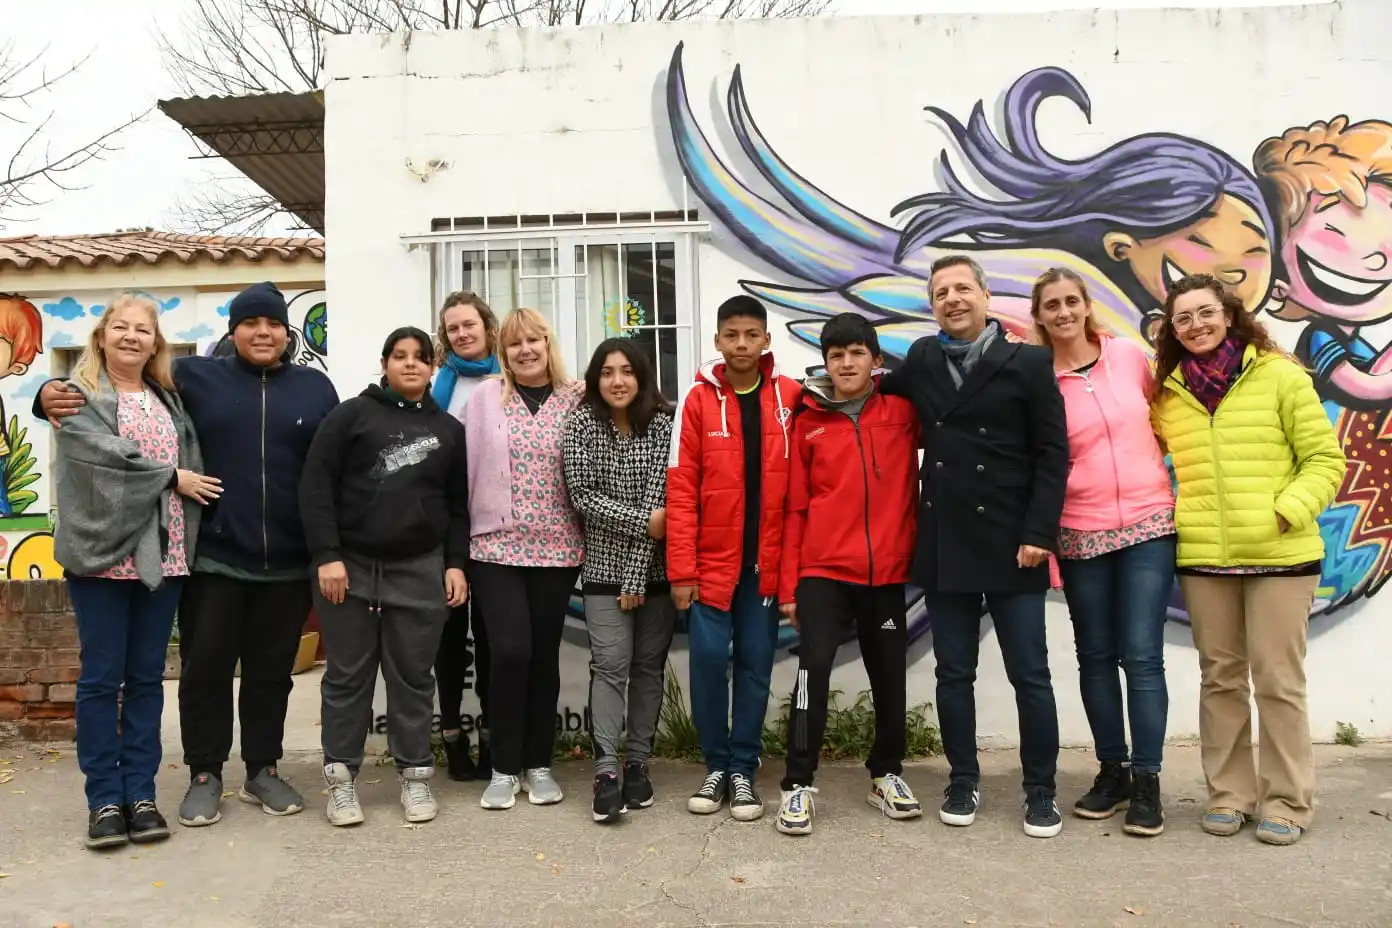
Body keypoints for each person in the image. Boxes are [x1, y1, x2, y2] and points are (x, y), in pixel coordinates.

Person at [35, 281, 340, 829]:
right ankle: (204, 774)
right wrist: (45, 393)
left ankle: (263, 769)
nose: (263, 332)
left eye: (272, 323)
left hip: (288, 560)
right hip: (213, 557)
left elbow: (334, 464)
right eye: (250, 323)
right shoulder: (194, 377)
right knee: (205, 671)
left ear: (286, 332)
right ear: (233, 331)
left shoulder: (315, 388)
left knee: (272, 674)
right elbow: (110, 381)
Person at [1150, 273, 1346, 846]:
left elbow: (1324, 459)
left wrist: (1286, 512)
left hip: (1281, 557)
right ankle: (1230, 795)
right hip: (1205, 560)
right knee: (1221, 680)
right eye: (1183, 319)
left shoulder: (1280, 375)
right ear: (1172, 330)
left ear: (1230, 315)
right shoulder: (1168, 394)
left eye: (1205, 313)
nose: (1196, 326)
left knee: (1278, 682)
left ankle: (1287, 800)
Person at [880, 254, 1069, 838]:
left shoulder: (1028, 360)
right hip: (946, 537)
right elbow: (872, 394)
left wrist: (1039, 533)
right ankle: (963, 780)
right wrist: (809, 393)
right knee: (953, 673)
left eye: (963, 288)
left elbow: (1052, 452)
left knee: (1030, 673)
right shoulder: (922, 358)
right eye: (941, 293)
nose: (953, 299)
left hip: (1014, 540)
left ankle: (1041, 790)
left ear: (985, 297)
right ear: (932, 306)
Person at [51, 293, 221, 849]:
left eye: (142, 330)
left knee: (148, 678)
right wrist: (172, 477)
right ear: (101, 337)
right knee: (102, 680)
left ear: (155, 344)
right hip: (102, 557)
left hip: (165, 558)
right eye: (120, 327)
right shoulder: (77, 396)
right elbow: (97, 457)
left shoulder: (168, 400)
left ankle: (141, 795)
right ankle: (104, 800)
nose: (131, 336)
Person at [299, 327, 470, 826]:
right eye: (400, 356)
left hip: (419, 569)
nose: (410, 364)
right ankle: (341, 783)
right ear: (385, 363)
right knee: (347, 678)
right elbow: (315, 487)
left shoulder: (448, 430)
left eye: (420, 357)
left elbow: (457, 505)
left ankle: (415, 776)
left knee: (413, 678)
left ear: (433, 367)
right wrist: (327, 555)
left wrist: (455, 563)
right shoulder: (351, 415)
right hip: (348, 569)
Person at [1031, 268, 1176, 837]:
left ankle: (1148, 779)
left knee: (1141, 656)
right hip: (1080, 529)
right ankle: (1112, 771)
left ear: (1087, 305)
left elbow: (1164, 421)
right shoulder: (1039, 380)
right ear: (1040, 317)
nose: (1064, 312)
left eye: (1072, 301)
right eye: (1052, 305)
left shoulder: (1129, 358)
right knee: (1094, 655)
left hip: (1148, 522)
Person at [774, 313, 922, 837]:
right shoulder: (808, 421)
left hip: (885, 572)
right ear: (825, 363)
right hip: (823, 571)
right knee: (812, 671)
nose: (847, 363)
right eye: (836, 355)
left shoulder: (903, 411)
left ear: (875, 360)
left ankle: (886, 774)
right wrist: (789, 584)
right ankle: (797, 783)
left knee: (889, 675)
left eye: (857, 353)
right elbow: (796, 507)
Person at [668, 294, 801, 823]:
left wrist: (790, 575)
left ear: (766, 339)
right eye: (732, 335)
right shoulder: (698, 400)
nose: (742, 344)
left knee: (754, 665)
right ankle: (716, 766)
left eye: (751, 335)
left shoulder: (791, 397)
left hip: (764, 568)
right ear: (718, 340)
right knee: (706, 662)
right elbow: (681, 490)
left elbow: (801, 493)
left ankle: (744, 767)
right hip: (710, 567)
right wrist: (682, 570)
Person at [464, 308, 585, 811]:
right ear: (504, 352)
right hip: (494, 546)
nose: (526, 350)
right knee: (509, 651)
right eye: (515, 343)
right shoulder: (485, 397)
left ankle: (538, 765)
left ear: (548, 344)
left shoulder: (577, 398)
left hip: (558, 548)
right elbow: (462, 467)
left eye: (534, 340)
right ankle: (502, 768)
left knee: (542, 657)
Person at [563, 339, 677, 824]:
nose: (617, 380)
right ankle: (606, 771)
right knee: (610, 667)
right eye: (607, 372)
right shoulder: (581, 425)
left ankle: (638, 764)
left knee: (648, 669)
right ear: (596, 378)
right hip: (604, 573)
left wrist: (638, 573)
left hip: (658, 573)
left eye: (627, 371)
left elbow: (661, 499)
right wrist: (644, 526)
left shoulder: (665, 424)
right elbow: (583, 497)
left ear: (642, 375)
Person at [430, 291, 501, 782]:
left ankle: (494, 739)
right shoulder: (438, 384)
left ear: (487, 327)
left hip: (496, 527)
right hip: (445, 527)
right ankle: (453, 740)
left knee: (493, 639)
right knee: (450, 640)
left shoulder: (510, 376)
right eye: (453, 328)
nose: (461, 334)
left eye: (469, 324)